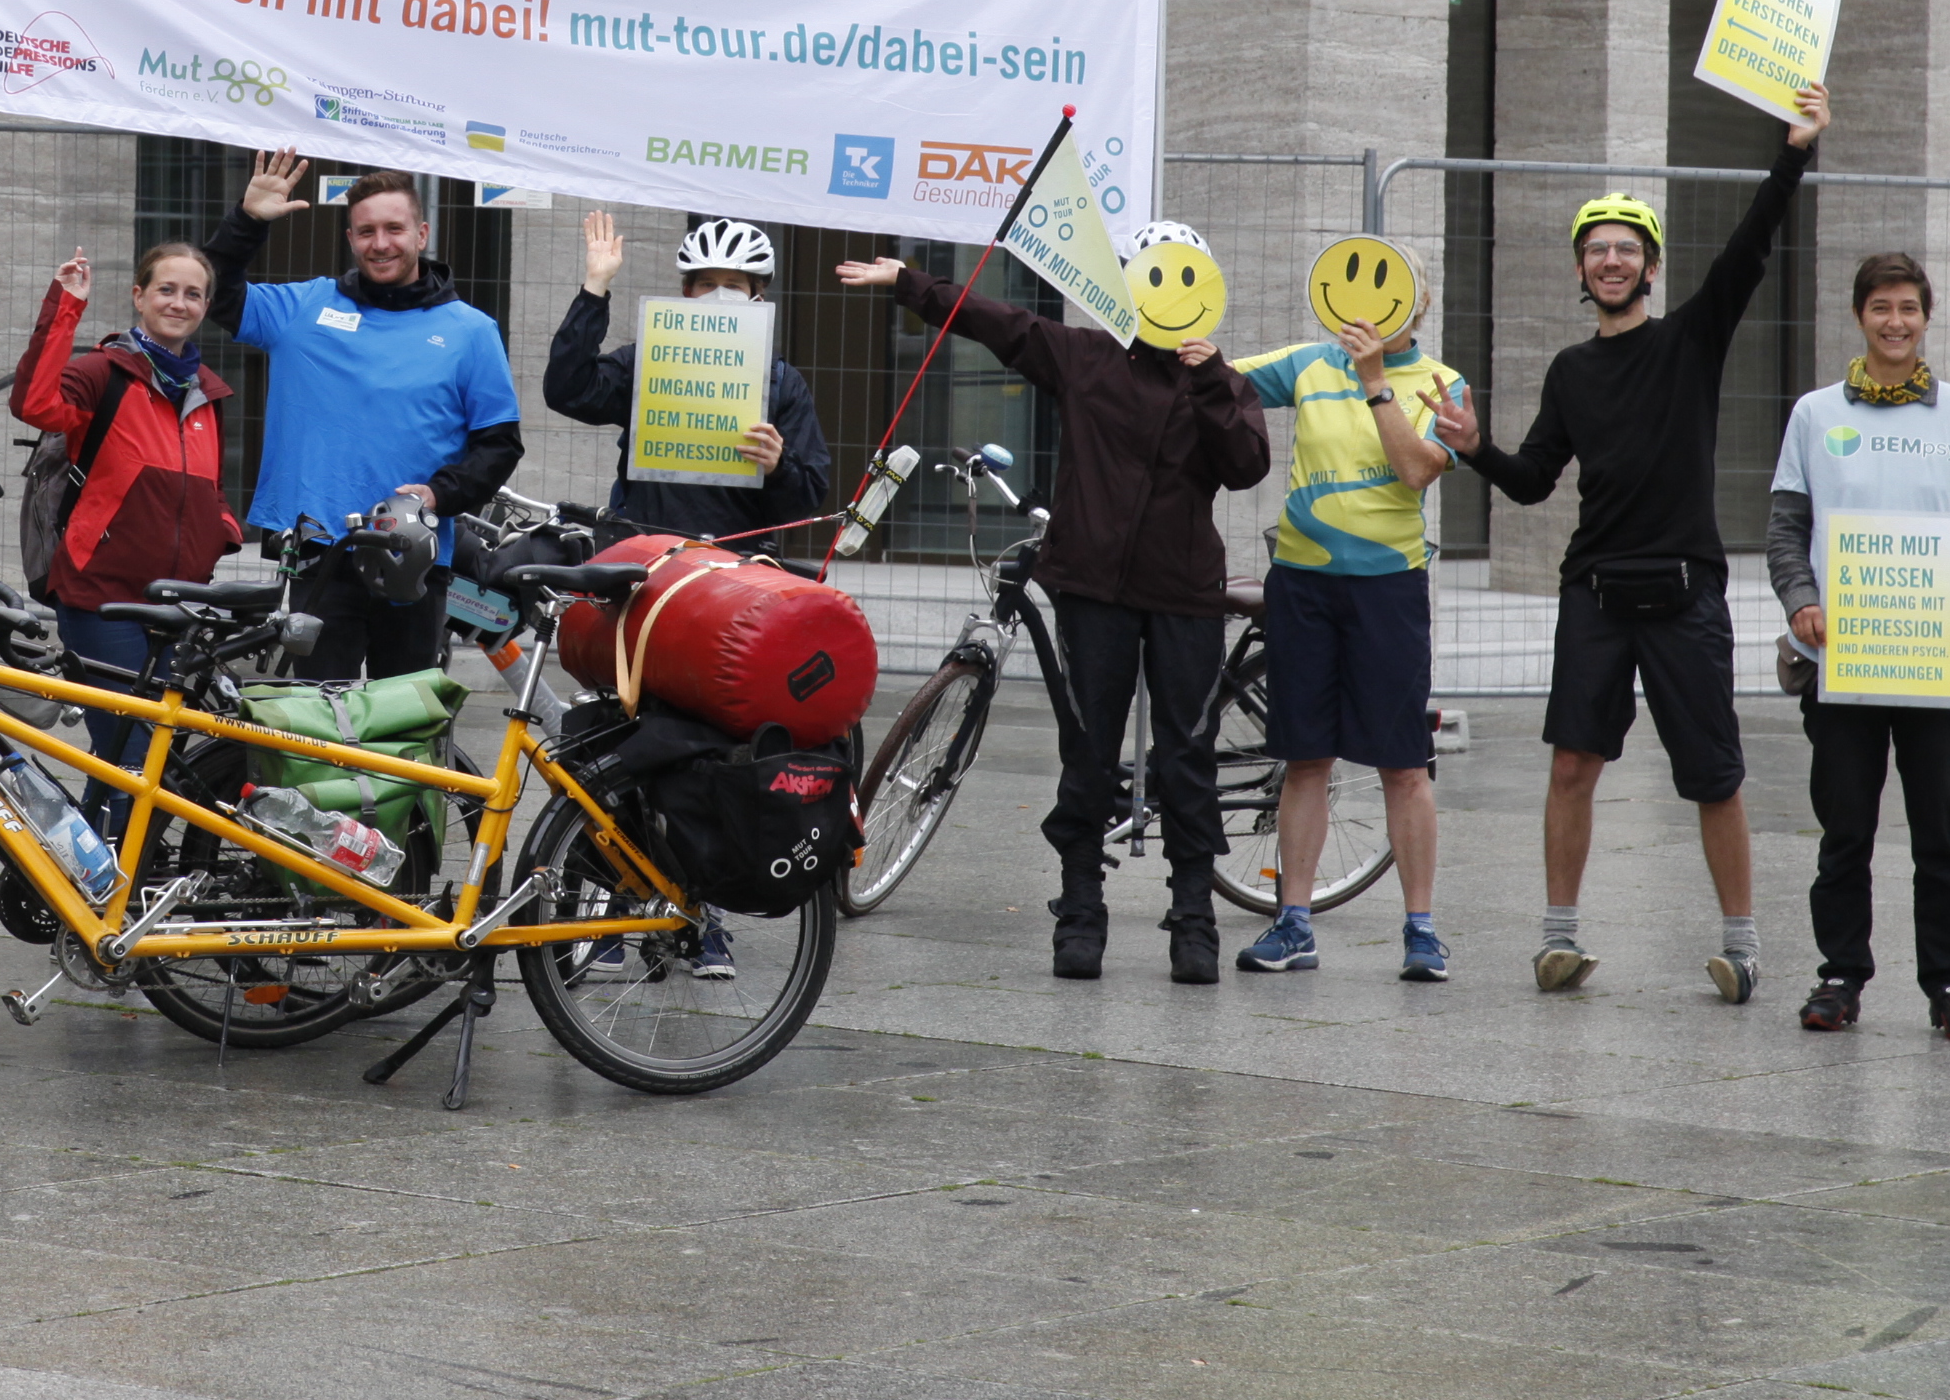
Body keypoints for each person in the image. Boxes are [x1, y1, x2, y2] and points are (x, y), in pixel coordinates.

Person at [1436, 81, 1827, 1001]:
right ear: (1581, 272)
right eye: (1596, 251)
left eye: (1627, 250)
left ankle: (1743, 945)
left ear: (1651, 267)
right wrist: (1475, 450)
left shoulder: (1690, 339)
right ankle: (1557, 938)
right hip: (1597, 593)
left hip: (1686, 589)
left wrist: (1795, 151)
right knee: (1574, 763)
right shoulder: (1571, 369)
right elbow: (1534, 479)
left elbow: (1749, 246)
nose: (1612, 262)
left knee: (1713, 774)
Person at [835, 235, 1270, 986]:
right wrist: (909, 281)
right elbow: (998, 322)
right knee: (1088, 752)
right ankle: (1081, 910)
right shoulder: (1086, 356)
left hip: (1183, 593)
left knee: (1187, 753)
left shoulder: (1222, 383)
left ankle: (1192, 917)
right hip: (1092, 589)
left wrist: (1211, 381)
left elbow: (1247, 464)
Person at [1767, 250, 1950, 1042]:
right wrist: (1801, 601)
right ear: (1859, 316)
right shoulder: (1814, 414)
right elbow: (1785, 528)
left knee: (1944, 837)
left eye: (1908, 307)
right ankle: (1840, 974)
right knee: (1845, 832)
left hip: (1940, 665)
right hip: (1844, 664)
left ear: (1927, 317)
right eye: (1881, 308)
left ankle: (1949, 982)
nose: (1896, 322)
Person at [201, 151, 522, 680]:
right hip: (320, 554)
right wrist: (247, 220)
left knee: (406, 731)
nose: (381, 243)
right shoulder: (304, 309)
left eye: (394, 229)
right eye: (366, 231)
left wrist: (439, 494)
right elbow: (213, 292)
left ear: (421, 233)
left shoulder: (471, 331)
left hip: (414, 555)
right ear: (350, 240)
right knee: (319, 726)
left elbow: (498, 445)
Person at [1235, 273, 1467, 986]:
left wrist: (1375, 381)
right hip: (1303, 584)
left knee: (1403, 762)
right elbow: (1216, 379)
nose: (1368, 310)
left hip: (1388, 588)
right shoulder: (1308, 363)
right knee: (1306, 758)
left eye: (1393, 293)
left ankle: (1422, 931)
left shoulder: (1441, 381)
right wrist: (1177, 334)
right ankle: (1294, 923)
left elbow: (1417, 470)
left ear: (1419, 305)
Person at [12, 241, 245, 810]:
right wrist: (65, 305)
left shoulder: (207, 393)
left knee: (136, 757)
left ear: (206, 305)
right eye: (166, 289)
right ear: (139, 297)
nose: (179, 302)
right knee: (133, 753)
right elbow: (34, 403)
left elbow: (207, 486)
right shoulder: (104, 372)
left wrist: (220, 527)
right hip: (102, 601)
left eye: (193, 293)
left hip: (178, 607)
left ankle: (87, 879)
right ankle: (115, 889)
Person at [542, 214, 832, 541]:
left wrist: (778, 467)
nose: (719, 295)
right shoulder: (649, 362)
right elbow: (567, 390)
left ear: (757, 298)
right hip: (647, 555)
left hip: (736, 563)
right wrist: (595, 286)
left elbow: (804, 500)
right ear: (687, 293)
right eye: (707, 284)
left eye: (734, 286)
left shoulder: (782, 382)